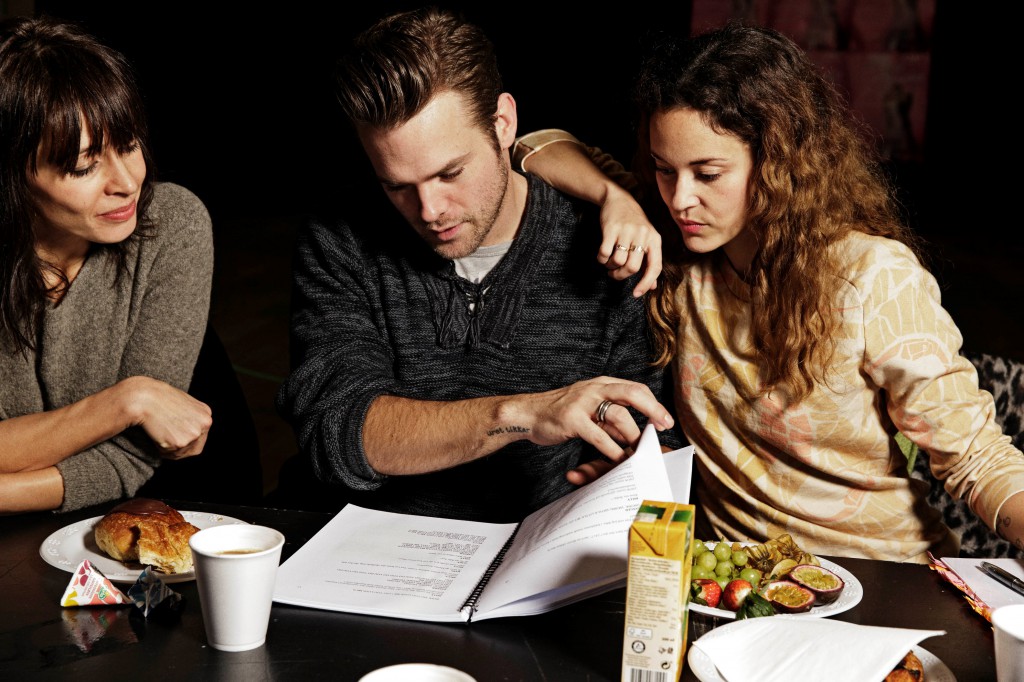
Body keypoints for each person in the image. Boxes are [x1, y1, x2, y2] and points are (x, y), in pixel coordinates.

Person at [513, 23, 1024, 562]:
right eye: (665, 170)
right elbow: (532, 143)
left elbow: (975, 456)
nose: (680, 199)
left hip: (886, 577)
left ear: (777, 164)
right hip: (739, 582)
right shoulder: (677, 248)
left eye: (708, 173)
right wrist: (614, 196)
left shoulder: (871, 275)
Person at [274, 6, 678, 523]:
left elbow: (651, 440)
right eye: (396, 185)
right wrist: (526, 413)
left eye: (450, 172)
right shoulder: (340, 237)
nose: (429, 210)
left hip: (541, 558)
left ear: (503, 123)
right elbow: (339, 433)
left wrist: (636, 477)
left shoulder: (611, 246)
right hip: (364, 555)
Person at [0, 17, 214, 513]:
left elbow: (131, 457)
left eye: (129, 145)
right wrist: (126, 401)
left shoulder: (173, 223)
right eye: (83, 166)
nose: (126, 182)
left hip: (143, 520)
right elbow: (128, 424)